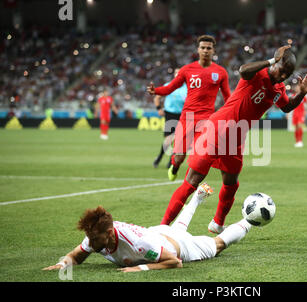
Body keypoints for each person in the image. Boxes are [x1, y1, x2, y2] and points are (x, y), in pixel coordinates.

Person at [160, 45, 307, 233]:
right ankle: (162, 227)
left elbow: (286, 107)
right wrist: (271, 60)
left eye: (288, 75)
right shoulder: (256, 74)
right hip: (217, 129)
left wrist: (301, 93)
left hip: (236, 137)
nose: (283, 77)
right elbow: (243, 70)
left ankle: (217, 223)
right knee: (192, 181)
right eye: (282, 71)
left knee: (231, 182)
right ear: (275, 64)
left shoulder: (278, 88)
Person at [42, 183, 255, 272]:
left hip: (178, 247)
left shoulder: (137, 244)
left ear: (109, 233)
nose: (90, 241)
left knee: (218, 245)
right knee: (176, 228)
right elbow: (76, 256)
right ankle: (197, 198)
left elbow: (175, 262)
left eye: (94, 238)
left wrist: (140, 268)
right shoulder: (95, 237)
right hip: (157, 233)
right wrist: (61, 265)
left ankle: (251, 218)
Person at [147, 35, 231, 181]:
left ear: (213, 51)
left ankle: (189, 185)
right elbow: (171, 87)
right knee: (179, 156)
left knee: (199, 156)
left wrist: (233, 112)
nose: (205, 50)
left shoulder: (221, 72)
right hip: (187, 118)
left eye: (208, 48)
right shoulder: (187, 70)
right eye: (203, 48)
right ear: (198, 50)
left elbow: (227, 97)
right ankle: (175, 165)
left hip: (207, 120)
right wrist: (157, 91)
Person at [152, 68, 187, 169]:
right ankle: (159, 157)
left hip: (181, 115)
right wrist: (159, 108)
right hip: (170, 114)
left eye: (179, 73)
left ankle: (170, 161)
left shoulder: (187, 88)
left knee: (178, 139)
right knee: (168, 140)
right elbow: (157, 97)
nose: (177, 74)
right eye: (176, 73)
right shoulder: (169, 85)